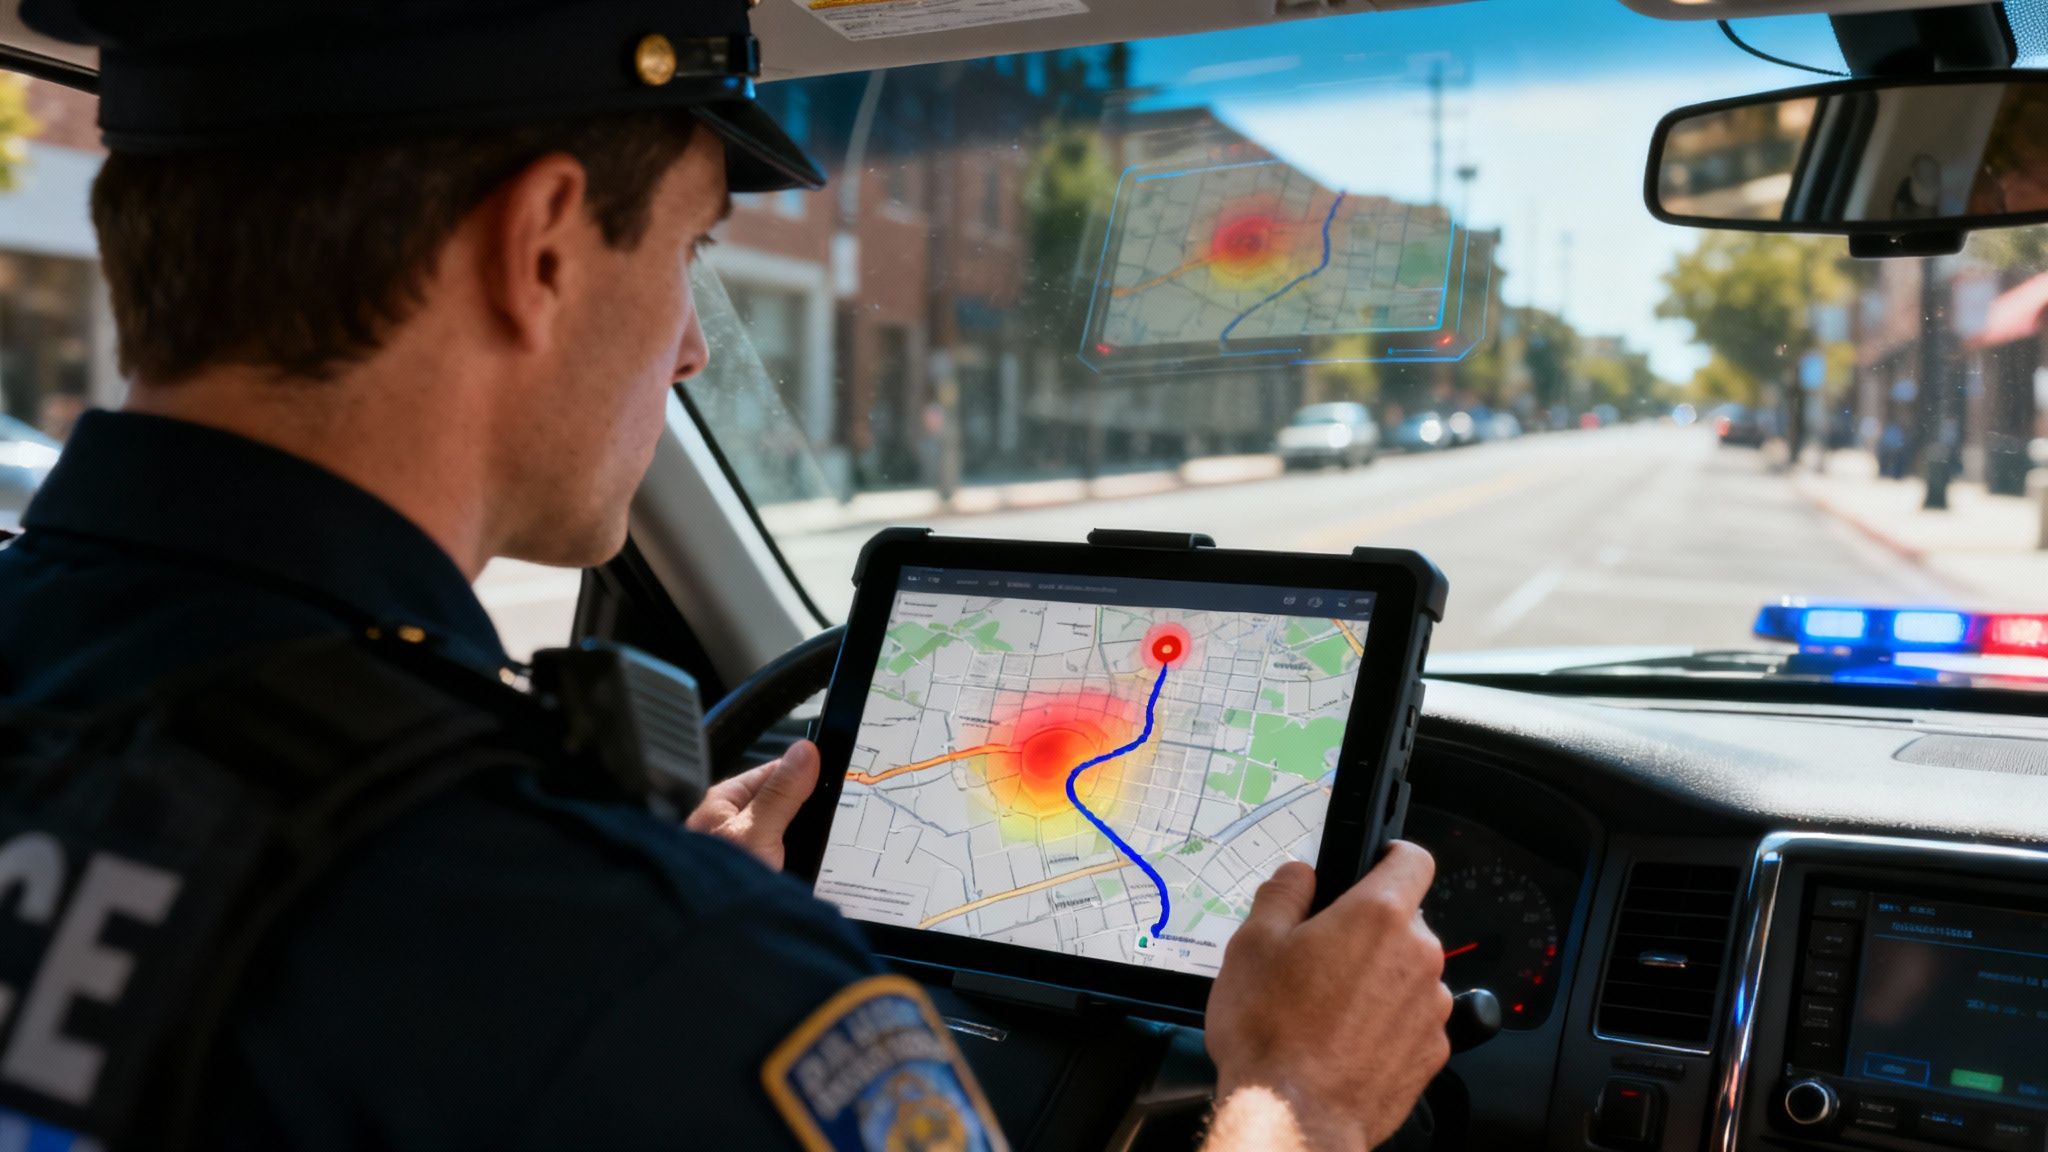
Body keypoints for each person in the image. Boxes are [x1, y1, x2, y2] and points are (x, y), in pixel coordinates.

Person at [0, 2, 1452, 1149]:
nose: (693, 344)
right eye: (692, 249)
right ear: (545, 246)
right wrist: (1298, 1104)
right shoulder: (647, 977)